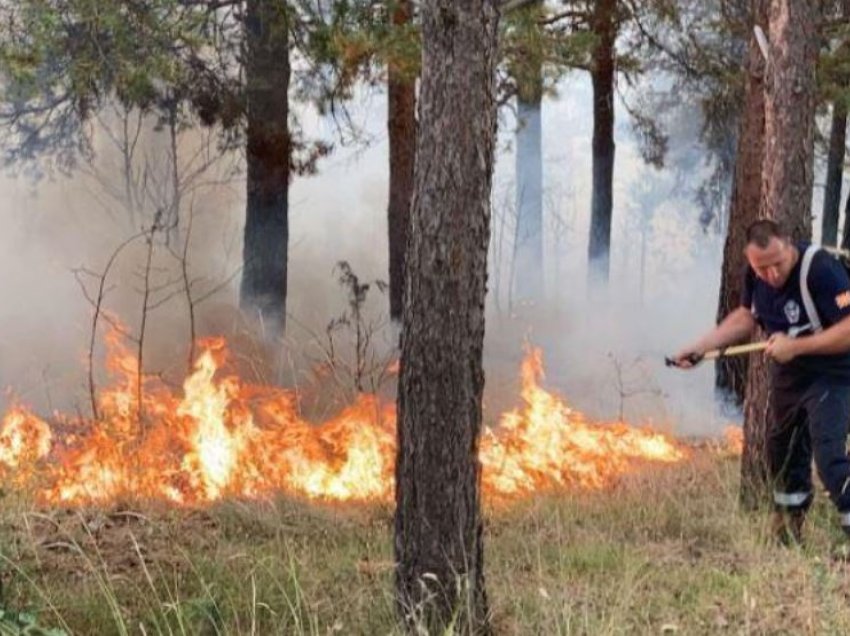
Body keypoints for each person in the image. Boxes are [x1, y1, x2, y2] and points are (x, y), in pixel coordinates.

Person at [671, 219, 850, 544]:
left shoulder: (822, 269)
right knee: (781, 452)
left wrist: (795, 346)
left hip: (834, 374)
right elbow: (746, 316)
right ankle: (787, 533)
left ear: (788, 245)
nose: (771, 275)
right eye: (761, 268)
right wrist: (700, 348)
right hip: (790, 375)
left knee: (829, 456)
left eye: (777, 264)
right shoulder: (756, 274)